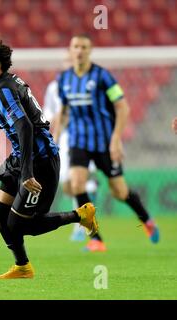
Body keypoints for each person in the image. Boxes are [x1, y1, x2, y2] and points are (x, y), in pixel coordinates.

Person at [0, 38, 98, 280]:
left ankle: (81, 215)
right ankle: (22, 266)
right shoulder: (6, 84)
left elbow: (25, 127)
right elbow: (9, 120)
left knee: (21, 225)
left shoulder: (3, 89)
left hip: (40, 162)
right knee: (1, 213)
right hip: (22, 157)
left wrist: (27, 173)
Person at [54, 34, 159, 252]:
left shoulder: (103, 76)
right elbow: (63, 112)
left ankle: (146, 219)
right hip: (78, 141)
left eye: (84, 47)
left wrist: (116, 140)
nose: (80, 50)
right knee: (76, 185)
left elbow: (122, 107)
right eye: (76, 46)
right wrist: (54, 139)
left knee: (119, 192)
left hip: (104, 142)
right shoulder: (64, 79)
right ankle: (96, 239)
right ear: (71, 50)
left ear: (90, 50)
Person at [43, 77, 99, 242]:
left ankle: (80, 226)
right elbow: (50, 112)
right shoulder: (54, 87)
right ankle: (90, 191)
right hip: (65, 136)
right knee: (67, 184)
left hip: (84, 137)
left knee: (78, 182)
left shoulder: (91, 86)